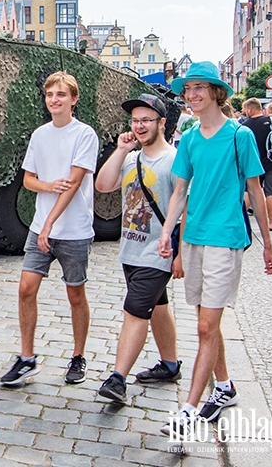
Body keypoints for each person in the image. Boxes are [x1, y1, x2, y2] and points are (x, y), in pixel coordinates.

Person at [157, 61, 272, 436]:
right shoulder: (190, 138)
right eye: (188, 89)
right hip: (193, 238)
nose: (191, 95)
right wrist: (168, 235)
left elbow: (255, 191)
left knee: (208, 326)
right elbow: (180, 191)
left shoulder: (239, 137)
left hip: (226, 237)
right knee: (206, 324)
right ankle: (224, 386)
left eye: (199, 88)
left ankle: (190, 409)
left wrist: (267, 245)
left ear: (216, 93)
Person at [0, 71, 99, 386]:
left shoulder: (85, 135)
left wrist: (50, 222)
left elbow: (73, 184)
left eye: (60, 94)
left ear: (73, 99)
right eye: (49, 94)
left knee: (75, 294)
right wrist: (47, 186)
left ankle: (78, 357)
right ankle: (27, 358)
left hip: (74, 230)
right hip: (41, 228)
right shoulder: (40, 135)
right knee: (26, 289)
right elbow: (28, 180)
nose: (54, 100)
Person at [94, 94, 182, 403]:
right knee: (158, 305)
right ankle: (170, 365)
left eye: (146, 120)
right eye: (135, 120)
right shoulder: (132, 158)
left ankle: (117, 378)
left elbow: (185, 206)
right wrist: (120, 150)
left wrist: (180, 253)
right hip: (131, 248)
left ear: (162, 123)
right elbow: (103, 185)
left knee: (135, 311)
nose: (140, 125)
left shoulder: (173, 161)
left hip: (158, 253)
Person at [242, 98, 272, 232]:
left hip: (253, 163)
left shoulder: (245, 125)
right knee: (271, 192)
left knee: (248, 191)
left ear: (250, 109)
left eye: (245, 109)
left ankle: (241, 221)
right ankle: (271, 223)